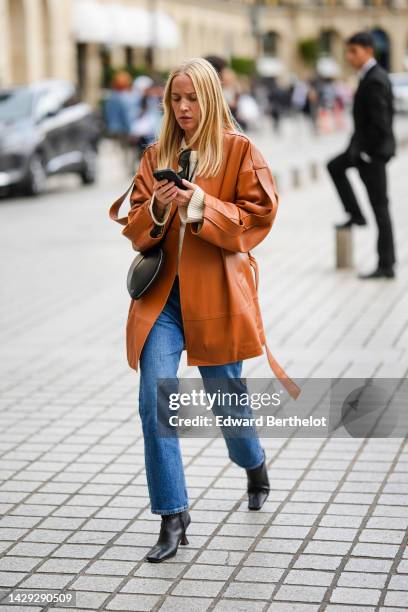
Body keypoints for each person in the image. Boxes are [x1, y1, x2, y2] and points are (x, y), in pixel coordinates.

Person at [109, 57, 299, 564]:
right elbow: (134, 227)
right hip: (161, 300)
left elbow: (257, 219)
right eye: (176, 98)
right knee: (155, 403)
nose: (184, 108)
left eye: (193, 98)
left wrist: (199, 205)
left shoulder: (240, 151)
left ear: (212, 97)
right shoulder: (156, 154)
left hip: (215, 292)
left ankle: (253, 462)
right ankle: (173, 515)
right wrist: (158, 209)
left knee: (226, 399)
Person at [327, 31, 396, 279]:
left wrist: (367, 153)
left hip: (372, 154)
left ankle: (386, 265)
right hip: (362, 149)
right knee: (334, 167)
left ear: (368, 50)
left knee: (381, 207)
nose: (349, 57)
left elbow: (381, 123)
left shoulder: (375, 79)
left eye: (353, 51)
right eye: (348, 51)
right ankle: (355, 215)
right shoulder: (370, 76)